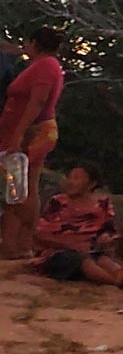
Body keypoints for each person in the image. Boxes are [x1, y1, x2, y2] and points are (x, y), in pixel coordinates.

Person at [0, 164, 123, 289]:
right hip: (57, 253)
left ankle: (122, 274)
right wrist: (71, 246)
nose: (70, 182)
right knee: (79, 259)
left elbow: (111, 231)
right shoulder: (58, 202)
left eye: (77, 178)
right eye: (70, 177)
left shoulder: (102, 204)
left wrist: (117, 249)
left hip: (90, 250)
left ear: (91, 184)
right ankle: (115, 281)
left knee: (101, 259)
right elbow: (40, 235)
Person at [0, 27, 66, 259]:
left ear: (34, 42)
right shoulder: (40, 65)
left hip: (33, 132)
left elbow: (37, 102)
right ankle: (12, 244)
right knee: (17, 187)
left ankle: (25, 241)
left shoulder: (46, 66)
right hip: (25, 130)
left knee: (21, 186)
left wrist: (19, 134)